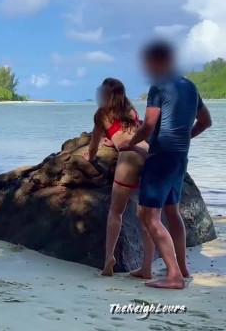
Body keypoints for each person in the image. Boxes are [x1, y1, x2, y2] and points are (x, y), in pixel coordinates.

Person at [118, 40, 212, 289]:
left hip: (161, 158)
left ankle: (173, 276)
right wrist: (184, 138)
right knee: (172, 212)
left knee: (149, 216)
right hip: (180, 158)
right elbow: (205, 121)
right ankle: (178, 269)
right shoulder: (190, 87)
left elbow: (148, 125)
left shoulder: (158, 86)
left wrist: (130, 142)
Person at [83, 78, 153, 277]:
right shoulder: (130, 109)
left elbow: (94, 145)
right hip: (148, 155)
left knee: (116, 212)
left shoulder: (101, 114)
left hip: (129, 158)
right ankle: (147, 266)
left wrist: (90, 156)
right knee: (146, 217)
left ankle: (109, 259)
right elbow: (135, 132)